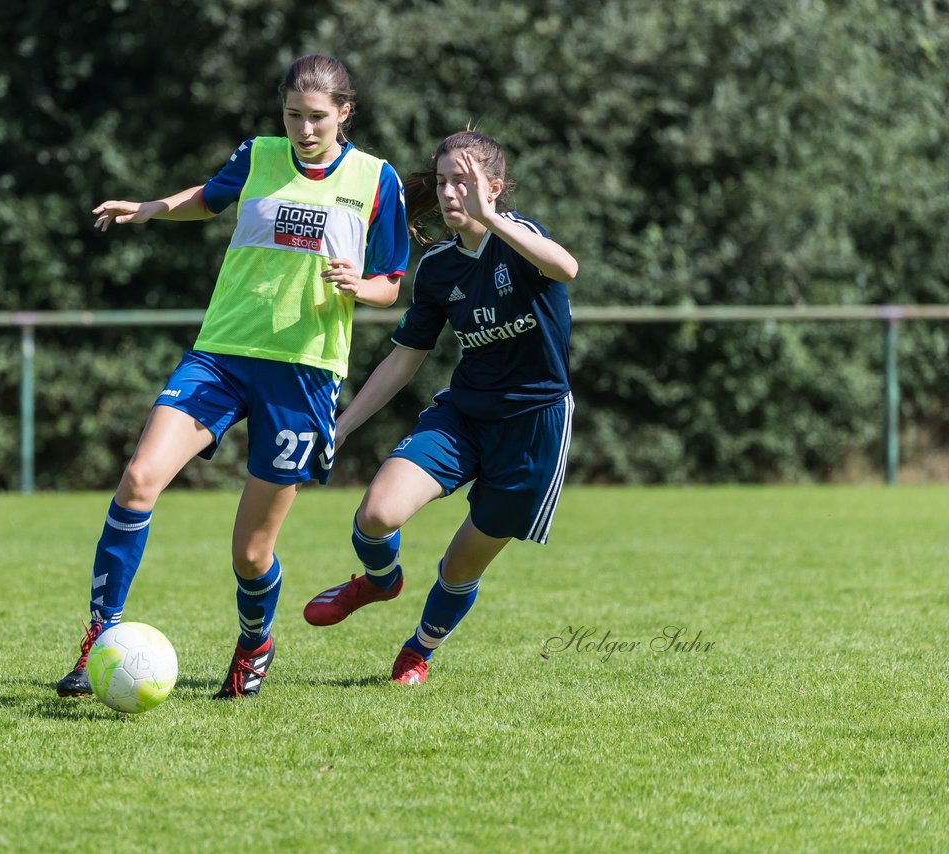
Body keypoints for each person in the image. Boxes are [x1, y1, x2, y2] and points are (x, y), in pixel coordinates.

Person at [57, 54, 409, 700]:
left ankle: (254, 643)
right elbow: (209, 198)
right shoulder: (259, 156)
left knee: (250, 554)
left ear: (345, 113)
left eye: (318, 118)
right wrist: (151, 208)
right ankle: (98, 639)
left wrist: (363, 287)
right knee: (138, 480)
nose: (304, 130)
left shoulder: (377, 179)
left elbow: (391, 283)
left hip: (303, 373)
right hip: (221, 353)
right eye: (294, 116)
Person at [302, 130, 579, 685]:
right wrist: (343, 426)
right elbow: (404, 360)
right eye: (445, 180)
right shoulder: (437, 269)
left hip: (534, 429)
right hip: (463, 417)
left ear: (494, 188)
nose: (451, 192)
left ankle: (418, 651)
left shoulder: (521, 240)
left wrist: (493, 217)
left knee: (459, 568)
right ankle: (379, 580)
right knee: (377, 515)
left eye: (465, 182)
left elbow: (566, 268)